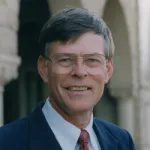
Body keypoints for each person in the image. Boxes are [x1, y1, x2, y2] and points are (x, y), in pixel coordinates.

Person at [0, 7, 135, 150]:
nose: (79, 71)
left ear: (107, 69)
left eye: (92, 60)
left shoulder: (121, 141)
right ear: (44, 68)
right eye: (65, 60)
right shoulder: (6, 143)